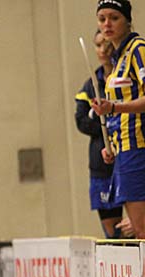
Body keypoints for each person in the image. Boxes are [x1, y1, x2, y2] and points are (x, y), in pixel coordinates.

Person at [92, 0, 145, 239]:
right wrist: (111, 144)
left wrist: (114, 106)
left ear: (127, 20)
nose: (107, 24)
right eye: (102, 19)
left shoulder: (138, 49)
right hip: (123, 150)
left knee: (142, 230)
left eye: (114, 18)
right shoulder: (117, 59)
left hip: (139, 148)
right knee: (139, 232)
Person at [74, 30, 125, 238]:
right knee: (113, 232)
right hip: (101, 166)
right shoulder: (90, 86)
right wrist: (102, 120)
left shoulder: (126, 79)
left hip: (128, 156)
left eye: (107, 44)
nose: (103, 50)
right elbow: (81, 121)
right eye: (98, 45)